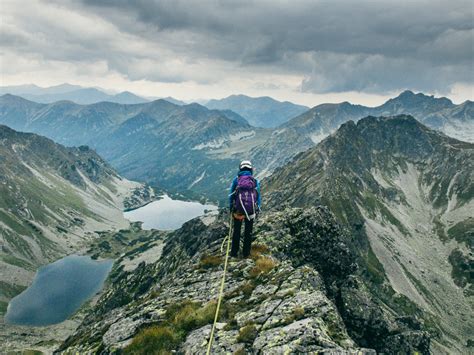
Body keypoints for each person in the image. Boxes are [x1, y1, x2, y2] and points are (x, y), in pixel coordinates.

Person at [229, 160, 261, 258]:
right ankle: (246, 254)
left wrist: (231, 207)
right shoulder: (254, 181)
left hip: (238, 210)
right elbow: (258, 196)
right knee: (248, 232)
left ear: (240, 168)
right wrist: (257, 208)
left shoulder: (237, 180)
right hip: (250, 211)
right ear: (251, 169)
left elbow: (231, 195)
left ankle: (234, 253)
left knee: (237, 231)